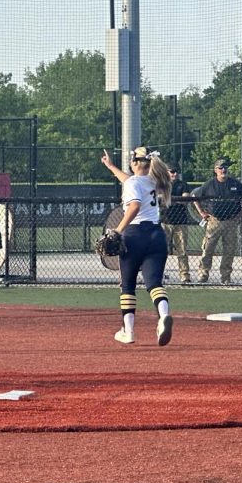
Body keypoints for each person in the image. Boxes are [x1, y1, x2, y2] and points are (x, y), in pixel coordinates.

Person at [99, 145, 174, 346]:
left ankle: (129, 331)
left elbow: (134, 206)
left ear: (134, 163)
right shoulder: (154, 180)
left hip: (135, 235)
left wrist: (118, 230)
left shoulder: (135, 182)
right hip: (157, 235)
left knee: (128, 285)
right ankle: (163, 315)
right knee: (154, 284)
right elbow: (129, 181)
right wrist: (111, 166)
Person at [192, 157, 242, 283]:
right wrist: (201, 212)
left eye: (225, 168)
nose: (223, 170)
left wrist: (239, 216)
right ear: (215, 170)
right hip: (214, 221)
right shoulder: (209, 184)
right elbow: (195, 197)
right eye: (221, 168)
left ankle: (226, 277)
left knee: (229, 250)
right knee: (208, 249)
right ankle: (203, 274)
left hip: (231, 221)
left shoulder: (235, 184)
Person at [160, 165, 192, 283]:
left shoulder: (183, 185)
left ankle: (185, 275)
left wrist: (168, 199)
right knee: (161, 250)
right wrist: (174, 200)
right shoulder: (162, 184)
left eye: (176, 171)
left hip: (181, 222)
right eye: (172, 171)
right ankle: (159, 273)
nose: (175, 174)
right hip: (165, 222)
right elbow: (159, 199)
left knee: (182, 250)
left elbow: (185, 200)